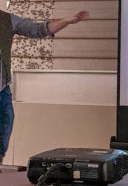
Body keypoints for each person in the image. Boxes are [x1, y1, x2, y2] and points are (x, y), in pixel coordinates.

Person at [0, 10, 89, 164]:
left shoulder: (6, 19)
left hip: (2, 88)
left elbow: (38, 30)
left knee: (5, 125)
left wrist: (67, 20)